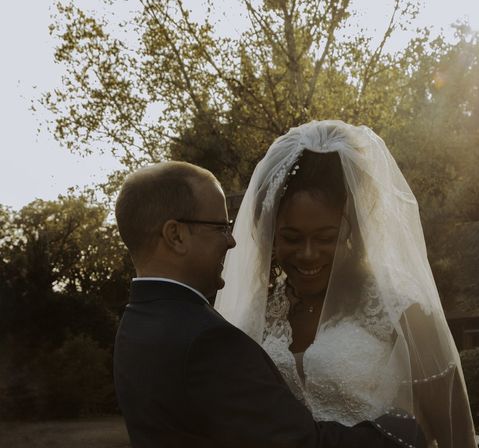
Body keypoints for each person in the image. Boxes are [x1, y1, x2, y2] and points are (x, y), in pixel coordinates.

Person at [112, 161, 418, 448]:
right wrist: (402, 432)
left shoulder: (134, 325)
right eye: (220, 227)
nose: (232, 241)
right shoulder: (210, 341)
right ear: (175, 235)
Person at [217, 121, 477, 448]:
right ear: (271, 234)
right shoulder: (257, 315)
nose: (308, 254)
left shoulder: (404, 313)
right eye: (291, 238)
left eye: (326, 238)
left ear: (353, 229)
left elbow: (457, 437)